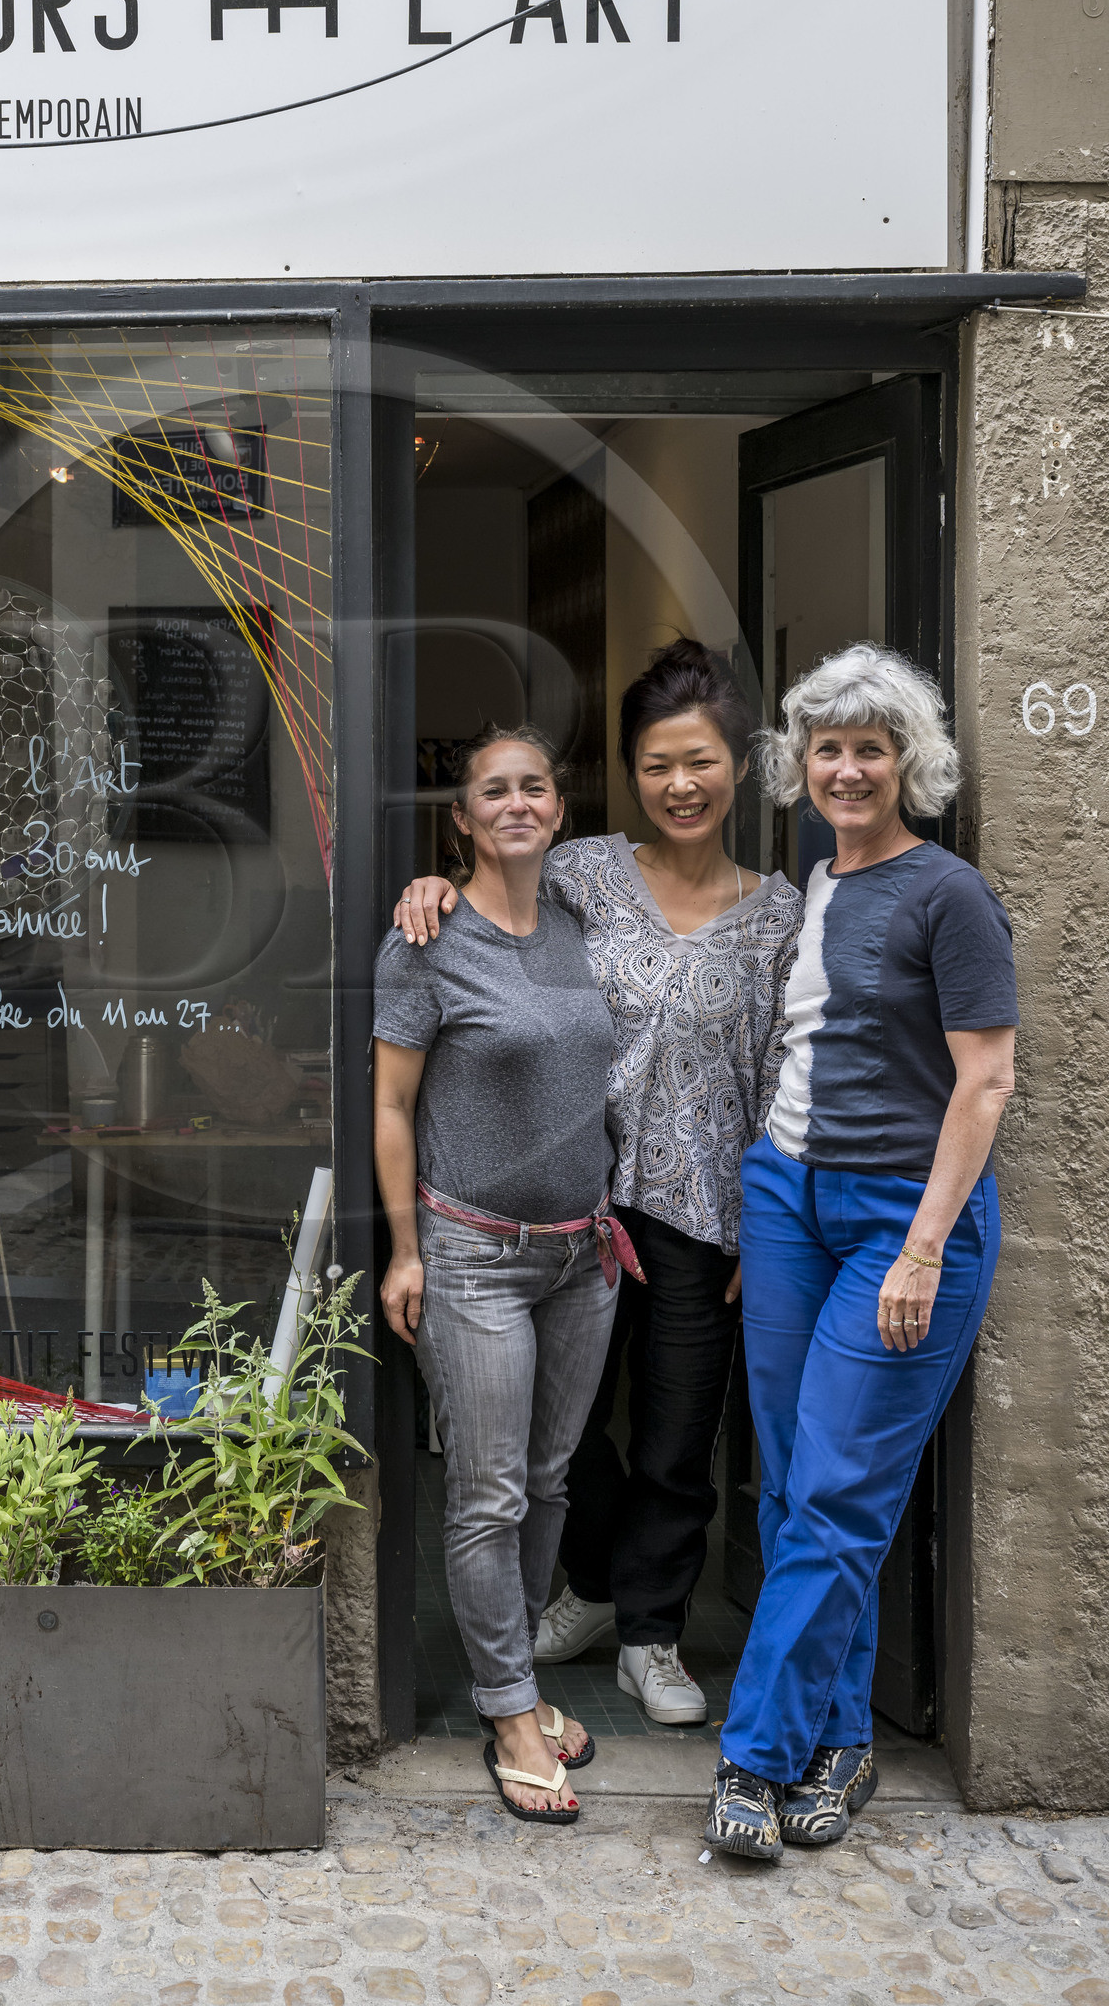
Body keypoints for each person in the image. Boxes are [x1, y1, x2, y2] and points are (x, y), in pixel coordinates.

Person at [395, 640, 802, 1726]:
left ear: (739, 769)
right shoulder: (583, 875)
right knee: (556, 1440)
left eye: (701, 763)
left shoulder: (779, 914)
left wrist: (768, 1227)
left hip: (706, 1215)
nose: (681, 785)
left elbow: (781, 1077)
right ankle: (589, 1579)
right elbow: (491, 897)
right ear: (630, 775)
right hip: (575, 1198)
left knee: (678, 1435)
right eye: (660, 765)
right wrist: (429, 883)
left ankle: (653, 1633)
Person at [704, 644, 1015, 1861]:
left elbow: (983, 1083)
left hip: (903, 1220)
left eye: (869, 748)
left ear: (907, 764)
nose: (845, 768)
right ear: (801, 763)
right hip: (786, 1201)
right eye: (826, 747)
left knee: (835, 1495)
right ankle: (839, 1743)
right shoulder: (817, 879)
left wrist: (923, 1249)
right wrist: (762, 1203)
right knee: (793, 1488)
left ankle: (754, 1757)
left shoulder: (949, 895)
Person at [373, 726, 625, 1821]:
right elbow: (390, 1107)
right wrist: (403, 1249)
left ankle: (512, 1678)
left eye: (534, 787)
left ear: (557, 812)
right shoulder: (424, 943)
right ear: (462, 821)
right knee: (488, 1490)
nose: (516, 803)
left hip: (584, 1253)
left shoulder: (580, 925)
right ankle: (511, 1710)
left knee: (553, 1479)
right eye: (493, 792)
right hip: (473, 1256)